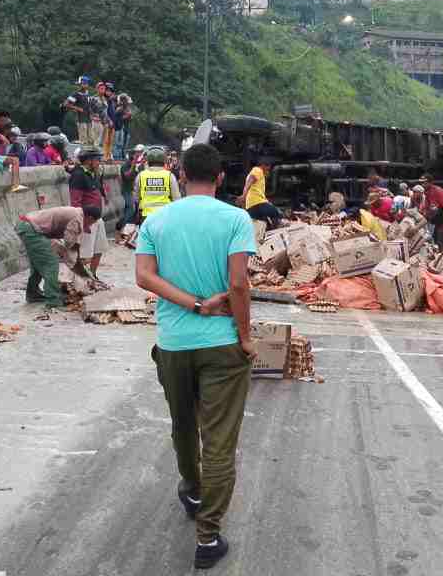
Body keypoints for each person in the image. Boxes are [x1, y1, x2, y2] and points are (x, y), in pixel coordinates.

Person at [135, 143, 257, 571]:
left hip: (173, 343)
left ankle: (191, 488)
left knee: (183, 424)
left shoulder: (157, 219)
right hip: (222, 344)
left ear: (180, 175)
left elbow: (143, 277)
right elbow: (239, 285)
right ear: (221, 178)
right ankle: (208, 537)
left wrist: (191, 304)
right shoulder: (235, 219)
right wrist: (245, 337)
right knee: (219, 440)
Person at [16, 205, 100, 307]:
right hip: (31, 229)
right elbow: (70, 244)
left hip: (27, 226)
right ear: (90, 218)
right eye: (91, 223)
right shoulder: (77, 218)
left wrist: (78, 264)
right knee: (51, 263)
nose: (89, 226)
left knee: (38, 263)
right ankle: (53, 301)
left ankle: (33, 294)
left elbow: (70, 247)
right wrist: (80, 269)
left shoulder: (76, 213)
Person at [69, 146, 107, 277]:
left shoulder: (93, 174)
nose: (99, 162)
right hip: (87, 220)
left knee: (99, 249)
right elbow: (75, 202)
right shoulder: (78, 175)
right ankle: (81, 279)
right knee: (85, 253)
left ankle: (93, 275)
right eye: (97, 160)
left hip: (97, 218)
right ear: (88, 160)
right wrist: (83, 224)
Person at [134, 146, 181, 223]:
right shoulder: (169, 176)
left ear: (148, 160)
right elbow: (176, 199)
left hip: (146, 217)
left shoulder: (141, 176)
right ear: (164, 160)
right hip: (165, 216)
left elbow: (136, 198)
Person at [239, 158, 281, 229]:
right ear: (263, 166)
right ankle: (277, 230)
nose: (268, 171)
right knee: (275, 213)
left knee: (264, 224)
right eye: (268, 169)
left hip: (251, 206)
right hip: (257, 203)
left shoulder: (258, 175)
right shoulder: (258, 170)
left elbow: (255, 191)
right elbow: (249, 182)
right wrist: (243, 195)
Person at [118, 144, 146, 233]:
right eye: (135, 155)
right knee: (131, 209)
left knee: (134, 211)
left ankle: (127, 229)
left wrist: (141, 163)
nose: (137, 156)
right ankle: (121, 227)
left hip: (132, 191)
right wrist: (134, 164)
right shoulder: (126, 165)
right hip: (126, 191)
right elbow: (127, 176)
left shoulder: (135, 166)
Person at [421, 174, 443, 249]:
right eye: (422, 183)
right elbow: (427, 209)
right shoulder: (427, 193)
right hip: (438, 220)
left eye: (425, 183)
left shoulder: (438, 191)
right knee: (436, 241)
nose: (423, 185)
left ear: (430, 183)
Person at [62, 76, 93, 146]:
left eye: (86, 83)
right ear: (80, 84)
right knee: (84, 140)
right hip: (81, 119)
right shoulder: (76, 94)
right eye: (83, 83)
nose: (85, 85)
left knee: (91, 139)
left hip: (88, 119)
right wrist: (77, 108)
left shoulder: (87, 93)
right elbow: (66, 104)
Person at [113, 93, 133, 161]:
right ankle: (117, 157)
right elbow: (115, 119)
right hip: (119, 129)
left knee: (125, 145)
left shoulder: (128, 109)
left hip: (126, 129)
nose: (128, 103)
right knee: (119, 144)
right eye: (126, 101)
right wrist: (125, 117)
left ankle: (123, 156)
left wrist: (129, 117)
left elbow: (130, 119)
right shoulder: (119, 109)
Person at [101, 82, 117, 161]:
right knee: (105, 140)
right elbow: (104, 112)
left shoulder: (111, 101)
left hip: (112, 123)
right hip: (106, 122)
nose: (109, 92)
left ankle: (108, 155)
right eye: (107, 90)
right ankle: (104, 156)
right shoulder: (103, 99)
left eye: (110, 91)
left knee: (111, 141)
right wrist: (109, 120)